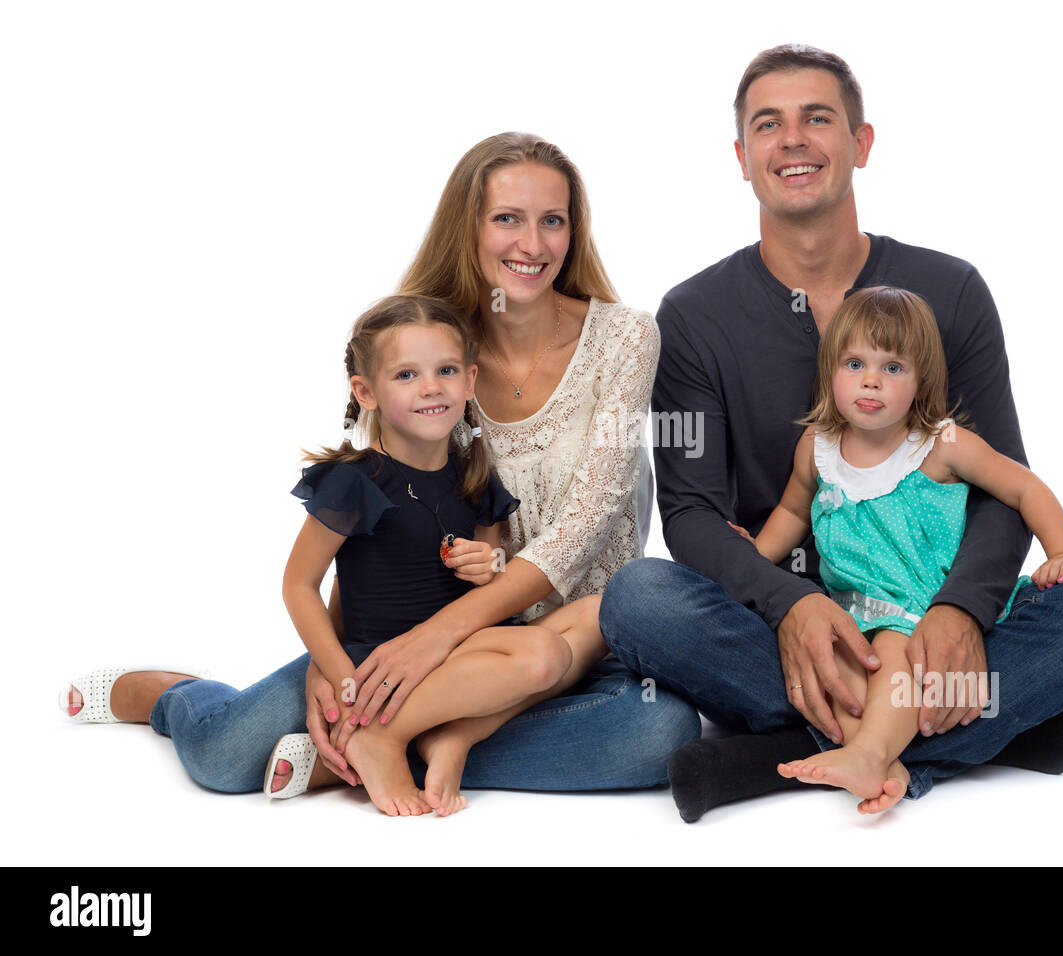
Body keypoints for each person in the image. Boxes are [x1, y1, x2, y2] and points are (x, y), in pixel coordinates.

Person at [62, 133, 700, 800]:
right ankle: (172, 696)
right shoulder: (430, 347)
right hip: (427, 637)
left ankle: (390, 744)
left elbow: (588, 524)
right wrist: (329, 662)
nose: (532, 245)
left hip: (575, 646)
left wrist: (435, 638)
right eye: (507, 218)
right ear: (470, 226)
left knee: (658, 733)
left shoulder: (625, 337)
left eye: (553, 220)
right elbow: (387, 502)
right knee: (226, 758)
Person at [598, 45, 1063, 821]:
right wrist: (790, 603)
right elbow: (688, 515)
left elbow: (1004, 486)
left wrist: (961, 612)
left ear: (861, 142)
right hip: (774, 627)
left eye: (817, 118)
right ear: (742, 158)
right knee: (638, 597)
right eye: (768, 125)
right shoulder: (692, 315)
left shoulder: (951, 290)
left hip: (927, 614)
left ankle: (775, 757)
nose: (792, 140)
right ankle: (986, 734)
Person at [733, 286, 1063, 814]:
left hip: (923, 612)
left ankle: (872, 751)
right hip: (852, 611)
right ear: (831, 371)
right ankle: (880, 759)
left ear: (921, 382)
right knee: (842, 674)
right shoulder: (818, 448)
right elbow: (790, 514)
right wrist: (754, 557)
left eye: (893, 367)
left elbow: (1023, 488)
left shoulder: (940, 443)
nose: (871, 379)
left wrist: (1061, 549)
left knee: (896, 654)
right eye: (855, 363)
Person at [278, 294, 608, 816]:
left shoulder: (473, 475)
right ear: (365, 392)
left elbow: (494, 577)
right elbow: (299, 585)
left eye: (446, 370)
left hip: (460, 656)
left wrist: (489, 564)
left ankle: (452, 737)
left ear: (470, 381)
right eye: (406, 375)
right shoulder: (352, 482)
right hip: (385, 665)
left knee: (597, 614)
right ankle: (381, 735)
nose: (431, 387)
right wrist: (339, 674)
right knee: (543, 656)